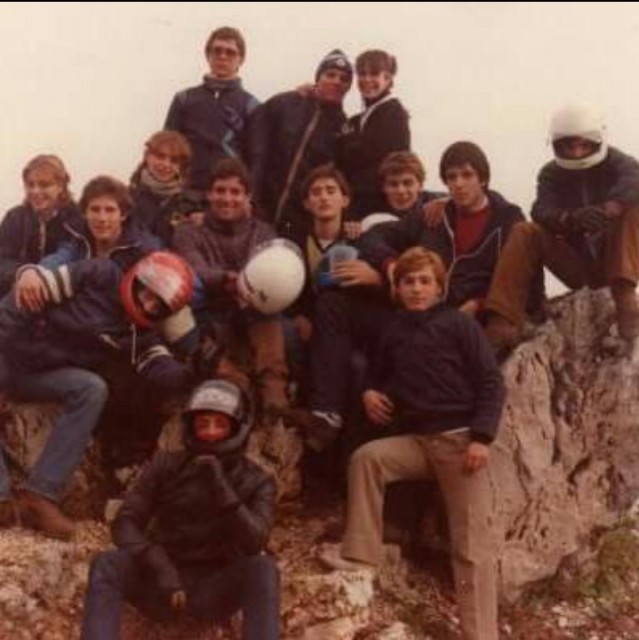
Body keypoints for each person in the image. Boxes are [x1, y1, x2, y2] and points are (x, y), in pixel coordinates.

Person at [319, 247, 504, 640]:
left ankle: (481, 634)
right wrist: (369, 392)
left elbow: (491, 382)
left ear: (439, 287)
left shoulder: (459, 325)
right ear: (397, 288)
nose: (417, 289)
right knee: (367, 459)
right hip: (419, 443)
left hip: (460, 444)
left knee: (471, 547)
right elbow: (379, 374)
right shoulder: (395, 329)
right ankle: (361, 555)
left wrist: (482, 438)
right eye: (408, 282)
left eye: (425, 281)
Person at [289, 142, 523, 448]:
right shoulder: (434, 215)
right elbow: (373, 238)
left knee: (374, 373)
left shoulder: (506, 218)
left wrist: (480, 302)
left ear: (484, 178)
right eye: (451, 177)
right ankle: (326, 413)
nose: (459, 184)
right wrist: (388, 267)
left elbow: (516, 275)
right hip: (409, 312)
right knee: (333, 304)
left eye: (467, 175)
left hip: (456, 321)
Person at [0, 251, 195, 540]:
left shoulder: (141, 334)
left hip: (43, 375)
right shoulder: (99, 274)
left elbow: (161, 369)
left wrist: (196, 371)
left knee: (92, 388)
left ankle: (39, 496)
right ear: (138, 279)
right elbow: (23, 298)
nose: (148, 305)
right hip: (10, 352)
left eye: (159, 306)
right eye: (148, 294)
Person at [80, 378, 279, 640]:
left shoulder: (258, 480)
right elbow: (125, 523)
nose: (210, 432)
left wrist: (221, 488)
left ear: (236, 429)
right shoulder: (165, 465)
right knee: (106, 563)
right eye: (203, 424)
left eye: (220, 424)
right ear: (191, 427)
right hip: (161, 582)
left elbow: (255, 541)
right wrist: (160, 566)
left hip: (213, 590)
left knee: (263, 569)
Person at [484, 104, 639, 350]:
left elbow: (634, 179)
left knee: (633, 208)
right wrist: (570, 219)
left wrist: (610, 208)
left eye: (584, 145)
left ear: (598, 141)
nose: (577, 152)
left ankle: (626, 300)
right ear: (557, 145)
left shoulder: (619, 162)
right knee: (525, 231)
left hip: (616, 263)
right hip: (579, 267)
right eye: (569, 146)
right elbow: (540, 210)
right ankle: (502, 320)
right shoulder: (551, 174)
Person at [173, 158, 290, 419]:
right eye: (220, 191)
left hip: (254, 310)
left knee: (269, 312)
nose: (227, 199)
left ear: (247, 197)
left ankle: (275, 401)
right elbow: (195, 268)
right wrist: (229, 280)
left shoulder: (264, 232)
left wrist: (249, 287)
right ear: (209, 194)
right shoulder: (188, 231)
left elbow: (273, 272)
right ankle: (239, 394)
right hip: (210, 313)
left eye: (235, 192)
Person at [14, 175, 162, 314]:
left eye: (110, 210)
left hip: (123, 320)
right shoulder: (78, 238)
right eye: (95, 210)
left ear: (123, 215)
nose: (102, 218)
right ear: (85, 213)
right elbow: (60, 257)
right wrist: (33, 271)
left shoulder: (143, 248)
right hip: (81, 318)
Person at [249, 49, 353, 235]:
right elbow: (253, 147)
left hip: (299, 221)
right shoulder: (284, 103)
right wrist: (250, 195)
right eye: (330, 75)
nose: (337, 81)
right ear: (318, 78)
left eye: (344, 79)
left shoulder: (343, 129)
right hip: (258, 208)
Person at [164, 26, 259, 191]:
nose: (222, 56)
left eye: (230, 52)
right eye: (217, 51)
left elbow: (255, 160)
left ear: (241, 59)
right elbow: (167, 147)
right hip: (186, 191)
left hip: (228, 195)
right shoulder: (184, 99)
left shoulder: (251, 106)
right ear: (208, 55)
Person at [335, 50, 410, 218]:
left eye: (374, 74)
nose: (367, 79)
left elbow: (391, 168)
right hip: (351, 205)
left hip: (377, 208)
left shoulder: (394, 114)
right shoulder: (355, 121)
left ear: (388, 78)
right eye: (362, 74)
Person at [0, 154, 82, 297]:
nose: (35, 191)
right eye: (30, 184)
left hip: (60, 294)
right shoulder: (14, 218)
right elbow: (2, 260)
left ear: (61, 186)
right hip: (15, 290)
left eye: (44, 185)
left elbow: (71, 257)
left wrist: (38, 274)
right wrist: (23, 272)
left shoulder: (76, 219)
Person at [129, 130, 206, 246]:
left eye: (174, 161)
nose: (166, 164)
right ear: (147, 156)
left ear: (180, 167)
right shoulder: (127, 199)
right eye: (160, 156)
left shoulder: (192, 205)